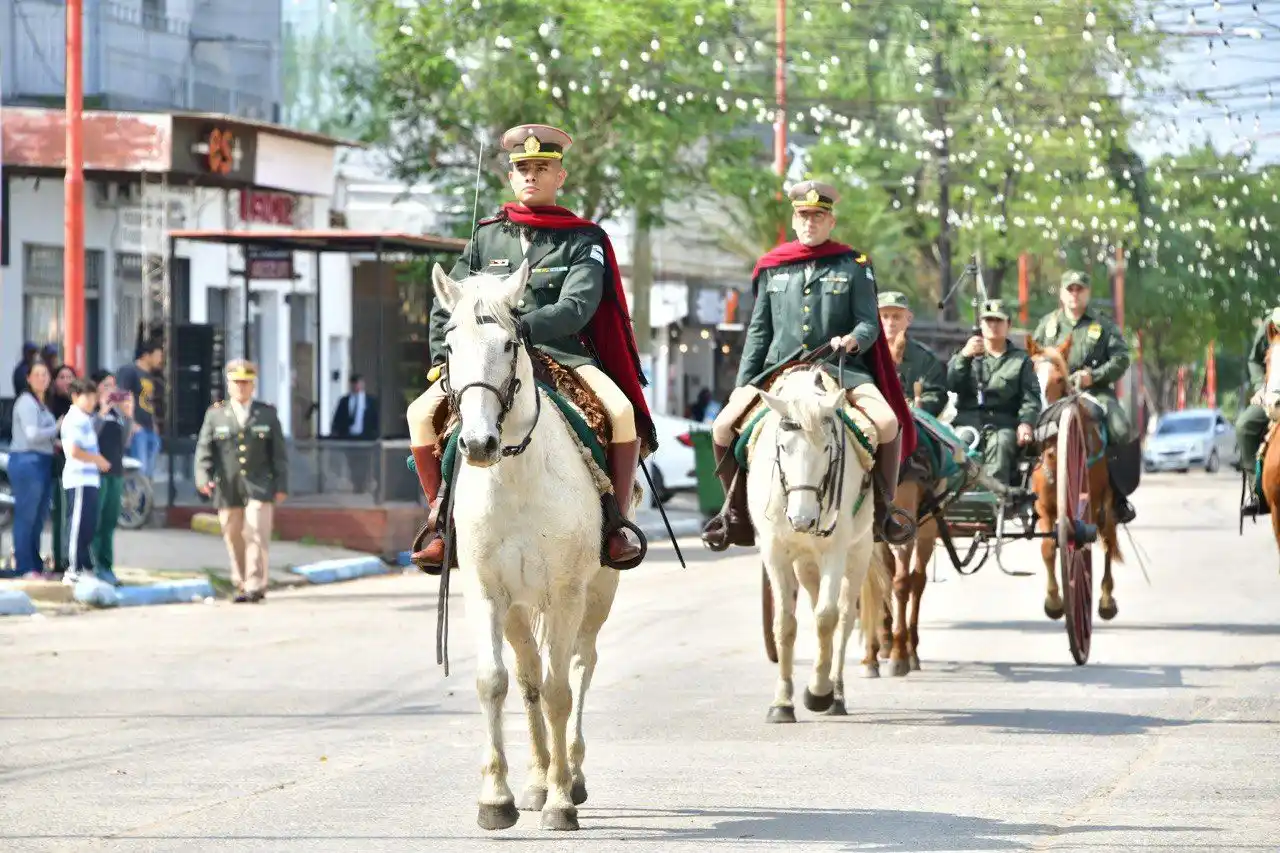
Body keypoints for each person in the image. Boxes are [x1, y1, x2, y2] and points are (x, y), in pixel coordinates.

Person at [405, 123, 654, 572]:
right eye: (523, 168)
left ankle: (615, 524)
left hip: (562, 357)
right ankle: (440, 521)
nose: (531, 176)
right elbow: (449, 303)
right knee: (419, 415)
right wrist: (445, 359)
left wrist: (516, 329)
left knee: (620, 413)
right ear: (511, 176)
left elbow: (576, 307)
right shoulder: (486, 236)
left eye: (541, 168)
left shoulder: (583, 239)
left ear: (560, 176)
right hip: (487, 361)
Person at [702, 180, 916, 550]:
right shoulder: (772, 267)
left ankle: (884, 512)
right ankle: (734, 515)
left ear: (831, 221)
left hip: (840, 371)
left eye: (818, 216)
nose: (810, 222)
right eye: (804, 215)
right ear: (794, 219)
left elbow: (868, 323)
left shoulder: (854, 265)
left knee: (886, 423)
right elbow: (759, 331)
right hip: (779, 372)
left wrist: (854, 340)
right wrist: (743, 385)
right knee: (721, 427)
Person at [1032, 271, 1136, 523]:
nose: (1074, 294)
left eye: (1080, 289)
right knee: (1025, 428)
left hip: (1094, 393)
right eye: (1070, 289)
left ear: (1088, 293)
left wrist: (1094, 376)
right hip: (1053, 396)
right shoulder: (1047, 325)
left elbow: (1121, 358)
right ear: (1061, 293)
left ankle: (1117, 496)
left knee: (1121, 429)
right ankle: (1026, 491)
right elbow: (1032, 356)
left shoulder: (1102, 324)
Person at [194, 360, 289, 604]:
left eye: (246, 382)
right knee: (233, 535)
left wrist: (281, 485)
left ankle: (255, 584)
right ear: (228, 384)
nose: (241, 387)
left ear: (253, 385)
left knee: (256, 531)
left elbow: (279, 454)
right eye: (237, 382)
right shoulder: (215, 415)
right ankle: (241, 581)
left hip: (260, 485)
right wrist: (203, 477)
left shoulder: (266, 414)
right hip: (228, 486)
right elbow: (204, 449)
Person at [948, 300, 1041, 486]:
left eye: (999, 321)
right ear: (981, 325)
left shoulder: (1020, 360)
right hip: (969, 423)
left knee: (999, 444)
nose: (993, 325)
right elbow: (952, 383)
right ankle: (953, 495)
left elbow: (1030, 398)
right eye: (988, 320)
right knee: (956, 449)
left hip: (1003, 425)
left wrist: (1026, 423)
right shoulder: (966, 355)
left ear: (1008, 325)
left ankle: (993, 496)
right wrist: (964, 357)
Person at [8, 362, 59, 579]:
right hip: (27, 461)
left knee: (39, 517)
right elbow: (31, 434)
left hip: (44, 460)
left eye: (45, 374)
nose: (41, 378)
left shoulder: (43, 404)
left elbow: (45, 437)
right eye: (37, 374)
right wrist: (57, 428)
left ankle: (35, 564)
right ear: (28, 378)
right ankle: (24, 566)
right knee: (26, 515)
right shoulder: (26, 402)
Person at [60, 378, 112, 586]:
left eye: (94, 397)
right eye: (87, 397)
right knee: (77, 525)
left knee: (88, 526)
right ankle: (72, 569)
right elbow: (74, 451)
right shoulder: (74, 419)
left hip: (90, 479)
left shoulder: (86, 419)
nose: (92, 401)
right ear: (75, 396)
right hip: (79, 479)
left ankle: (83, 566)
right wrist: (98, 460)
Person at [90, 369, 133, 585]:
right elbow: (88, 437)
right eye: (106, 385)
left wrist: (128, 415)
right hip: (96, 473)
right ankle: (93, 566)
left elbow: (125, 441)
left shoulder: (116, 414)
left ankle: (107, 566)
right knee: (95, 522)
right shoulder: (91, 412)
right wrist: (102, 411)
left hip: (115, 471)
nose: (111, 390)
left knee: (109, 522)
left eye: (113, 386)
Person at [1237, 307, 1280, 513]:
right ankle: (1256, 491)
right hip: (1274, 391)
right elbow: (1255, 360)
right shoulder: (1273, 320)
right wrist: (1261, 388)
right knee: (1244, 426)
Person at [878, 291, 948, 417]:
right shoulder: (863, 353)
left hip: (911, 420)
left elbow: (936, 394)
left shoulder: (925, 359)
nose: (890, 323)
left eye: (896, 317)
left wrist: (920, 406)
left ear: (908, 319)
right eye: (885, 316)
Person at [116, 339, 164, 478]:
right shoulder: (129, 371)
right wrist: (131, 423)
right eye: (158, 355)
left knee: (148, 473)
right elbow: (121, 396)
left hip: (150, 429)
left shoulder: (149, 376)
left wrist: (154, 424)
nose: (160, 359)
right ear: (146, 355)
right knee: (138, 472)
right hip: (136, 429)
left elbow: (148, 401)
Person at [48, 364, 77, 575]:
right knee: (61, 513)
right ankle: (60, 559)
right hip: (59, 465)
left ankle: (73, 557)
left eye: (70, 377)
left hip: (78, 465)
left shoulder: (78, 405)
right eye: (62, 377)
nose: (66, 381)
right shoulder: (50, 405)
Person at [330, 373, 379, 494]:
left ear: (362, 384)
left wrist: (375, 434)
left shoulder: (370, 401)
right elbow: (338, 419)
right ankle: (356, 484)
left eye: (358, 383)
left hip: (365, 437)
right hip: (349, 437)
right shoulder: (345, 401)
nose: (356, 386)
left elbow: (375, 419)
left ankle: (361, 484)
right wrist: (337, 433)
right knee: (352, 462)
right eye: (354, 384)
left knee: (364, 462)